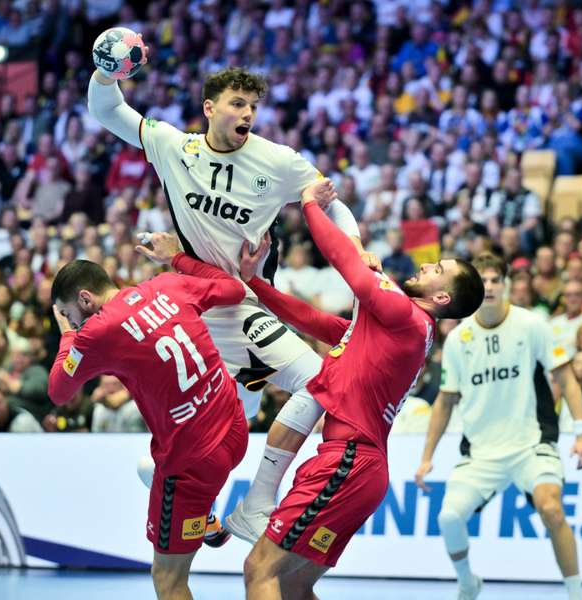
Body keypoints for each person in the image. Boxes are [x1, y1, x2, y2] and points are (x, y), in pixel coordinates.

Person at [87, 31, 376, 542]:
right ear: (209, 107)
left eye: (253, 106)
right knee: (229, 432)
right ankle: (208, 506)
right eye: (237, 103)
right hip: (196, 307)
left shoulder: (278, 160)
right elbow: (110, 113)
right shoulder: (175, 146)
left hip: (243, 303)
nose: (247, 114)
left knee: (316, 384)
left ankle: (250, 504)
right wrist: (108, 75)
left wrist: (355, 247)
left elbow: (330, 200)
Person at [171, 183, 480, 599]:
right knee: (293, 586)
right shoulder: (398, 328)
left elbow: (344, 261)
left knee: (260, 569)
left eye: (436, 270)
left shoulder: (405, 315)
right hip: (362, 469)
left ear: (441, 296)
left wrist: (311, 203)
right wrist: (256, 286)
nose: (425, 267)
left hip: (347, 462)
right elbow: (317, 322)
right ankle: (259, 502)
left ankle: (257, 502)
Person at [46, 254, 249, 600]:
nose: (72, 321)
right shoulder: (167, 284)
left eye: (69, 313)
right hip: (234, 426)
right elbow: (234, 289)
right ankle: (206, 517)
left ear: (85, 299)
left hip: (192, 465)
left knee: (167, 579)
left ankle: (203, 512)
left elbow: (58, 391)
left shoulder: (96, 332)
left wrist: (67, 335)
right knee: (149, 468)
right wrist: (179, 258)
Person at [415, 253, 582, 600]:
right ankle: (468, 582)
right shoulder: (458, 339)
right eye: (485, 281)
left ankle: (576, 595)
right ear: (474, 287)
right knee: (449, 518)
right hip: (481, 453)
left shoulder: (532, 325)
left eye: (498, 280)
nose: (492, 286)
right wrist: (426, 457)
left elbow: (567, 379)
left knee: (552, 508)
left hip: (532, 445)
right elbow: (445, 401)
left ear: (507, 284)